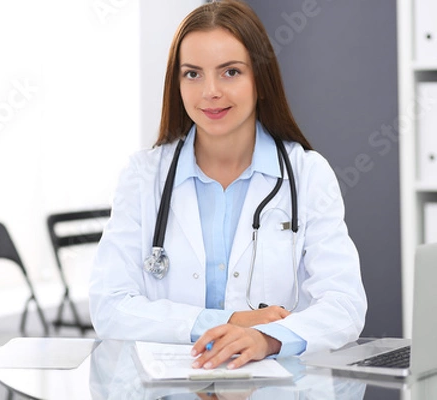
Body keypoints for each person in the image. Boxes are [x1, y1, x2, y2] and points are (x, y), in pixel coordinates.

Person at [89, 0, 367, 371]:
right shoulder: (143, 177)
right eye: (193, 74)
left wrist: (267, 338)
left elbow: (345, 304)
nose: (210, 91)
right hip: (170, 389)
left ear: (261, 81)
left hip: (273, 388)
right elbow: (109, 306)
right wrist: (227, 323)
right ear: (177, 83)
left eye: (231, 72)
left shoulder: (307, 174)